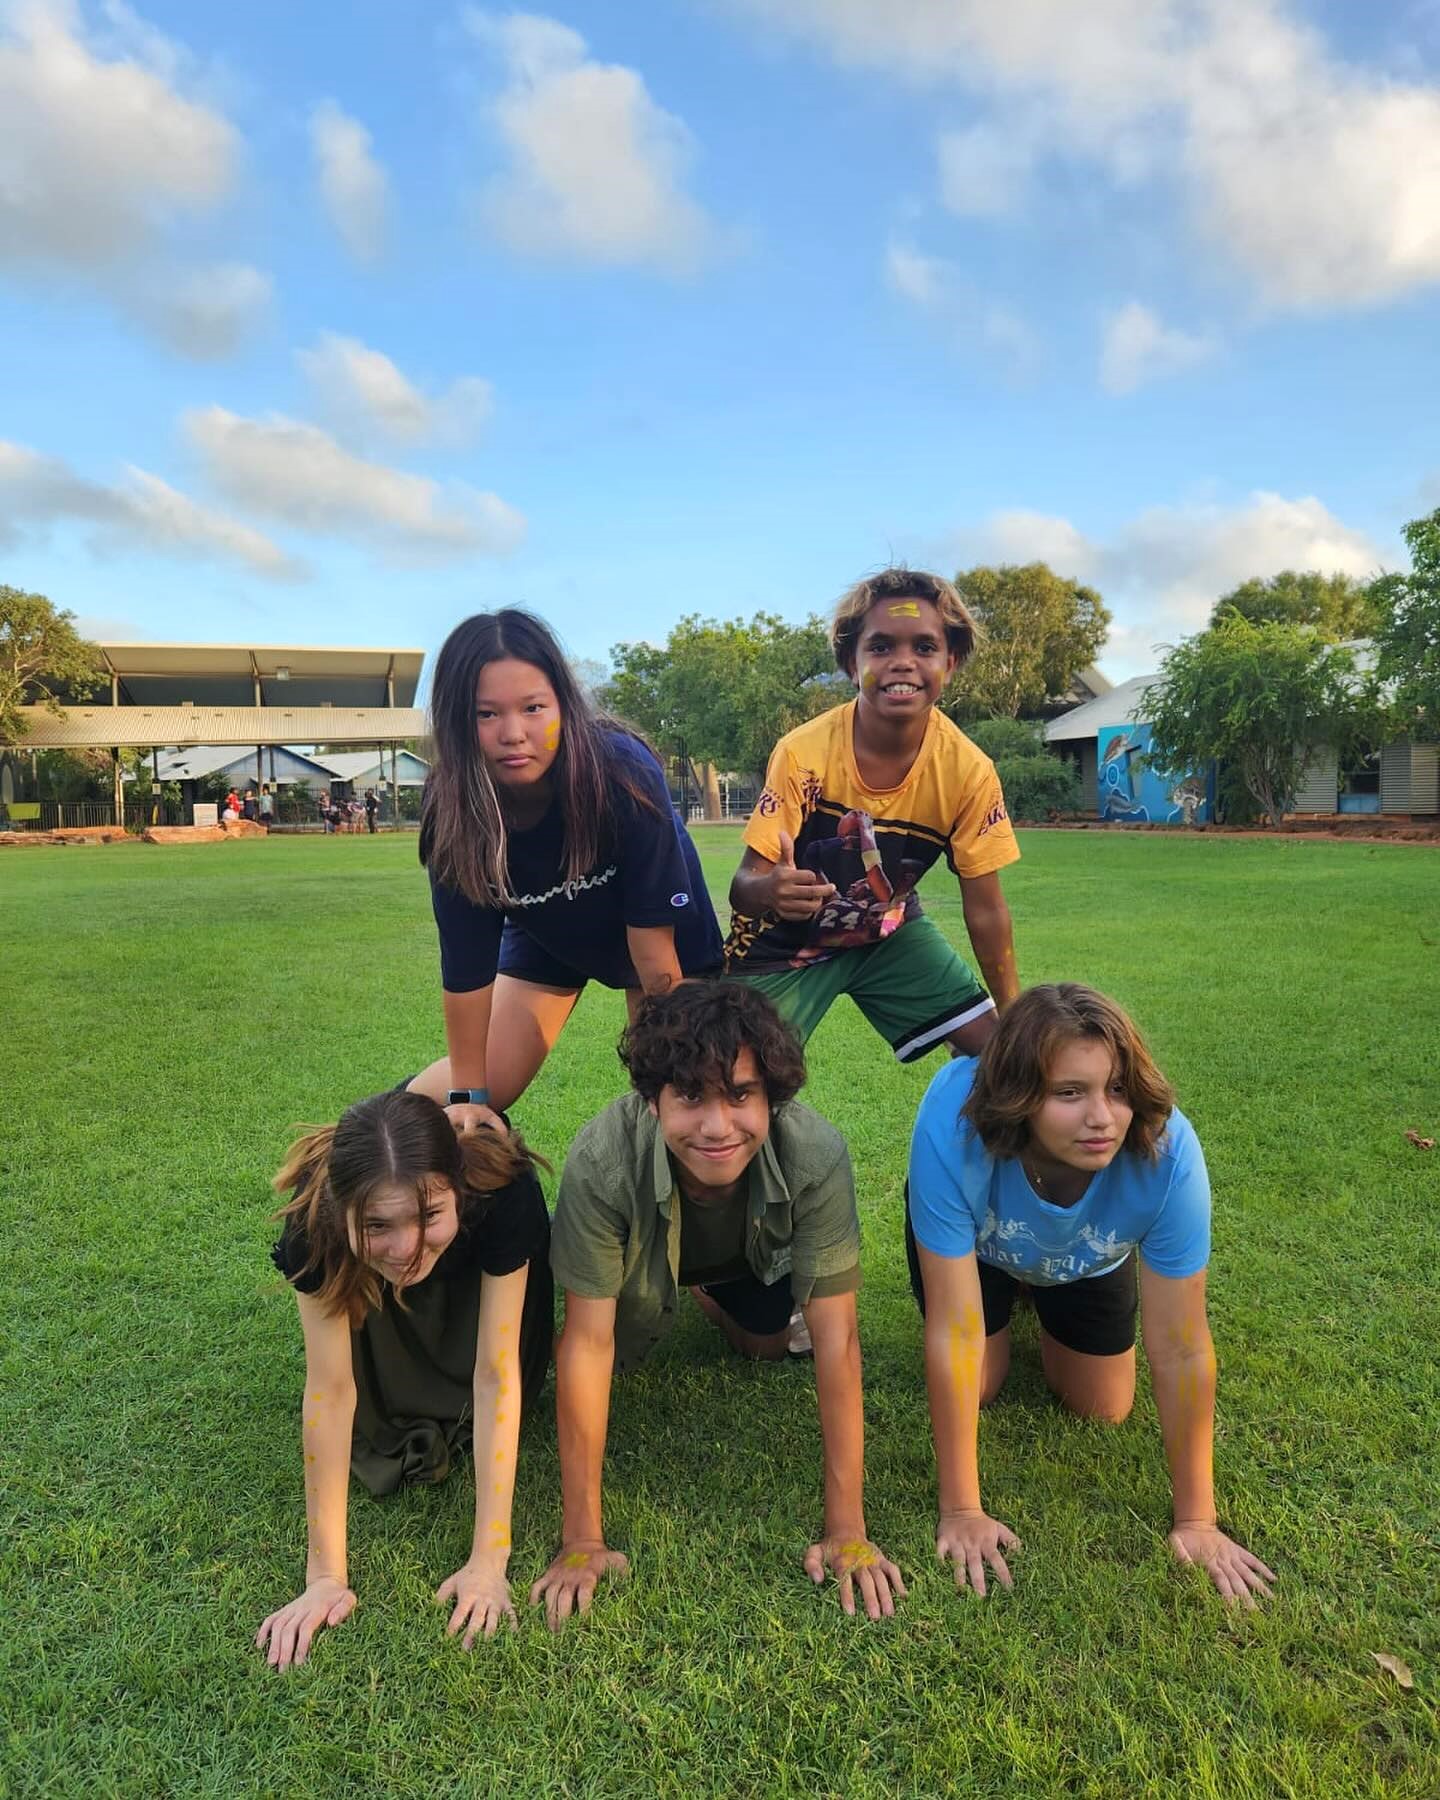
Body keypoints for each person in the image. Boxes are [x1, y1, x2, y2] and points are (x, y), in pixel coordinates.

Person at [532, 981, 905, 1628]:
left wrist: (847, 1529)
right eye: (691, 1097)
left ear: (772, 1097)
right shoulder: (601, 1159)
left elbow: (839, 1338)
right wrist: (581, 1541)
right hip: (639, 1260)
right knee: (615, 1339)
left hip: (744, 1251)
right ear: (653, 1102)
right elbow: (587, 1344)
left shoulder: (816, 1154)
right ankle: (678, 1282)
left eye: (740, 1095)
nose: (717, 1126)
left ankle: (708, 1292)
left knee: (770, 1340)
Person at [906, 983, 1276, 1607]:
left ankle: (1043, 1289)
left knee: (1103, 1406)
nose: (1101, 1117)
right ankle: (1015, 1287)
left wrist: (1198, 1522)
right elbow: (955, 1331)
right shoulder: (954, 1119)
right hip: (984, 1245)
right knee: (981, 1384)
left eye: (1116, 1089)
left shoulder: (1168, 1152)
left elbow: (1182, 1346)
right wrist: (963, 1509)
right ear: (1019, 1097)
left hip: (1088, 1252)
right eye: (1068, 1093)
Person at [257, 1088, 554, 1669]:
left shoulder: (503, 1192)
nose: (407, 1247)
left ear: (459, 1187)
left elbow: (496, 1374)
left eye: (429, 1216)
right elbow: (331, 1389)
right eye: (376, 1224)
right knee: (378, 1415)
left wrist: (489, 1563)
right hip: (382, 1307)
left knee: (476, 1390)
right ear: (341, 1209)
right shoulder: (312, 1221)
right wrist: (324, 1576)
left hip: (481, 1297)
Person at [411, 608, 724, 1138]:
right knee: (489, 1085)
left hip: (657, 934)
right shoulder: (455, 810)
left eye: (533, 708)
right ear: (457, 720)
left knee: (679, 1086)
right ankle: (368, 1143)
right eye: (486, 714)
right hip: (549, 931)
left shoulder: (622, 773)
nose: (514, 733)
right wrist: (467, 1099)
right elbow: (467, 970)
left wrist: (668, 1068)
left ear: (563, 703)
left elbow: (652, 954)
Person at [725, 568, 1021, 1066]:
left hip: (887, 933)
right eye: (880, 647)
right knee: (732, 1076)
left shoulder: (968, 772)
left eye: (924, 648)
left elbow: (987, 909)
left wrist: (1016, 1019)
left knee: (1005, 1057)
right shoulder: (803, 753)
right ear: (851, 663)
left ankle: (963, 1139)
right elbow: (744, 886)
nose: (902, 663)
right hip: (781, 947)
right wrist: (773, 889)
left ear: (949, 662)